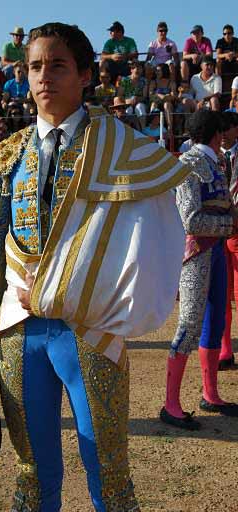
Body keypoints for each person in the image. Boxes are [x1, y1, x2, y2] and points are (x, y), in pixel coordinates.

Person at [0, 21, 189, 512]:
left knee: (111, 475)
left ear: (83, 75)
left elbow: (147, 236)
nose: (43, 77)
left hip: (91, 329)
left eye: (57, 65)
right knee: (32, 471)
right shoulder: (7, 157)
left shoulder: (120, 149)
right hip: (21, 333)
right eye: (34, 66)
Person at [160, 110, 238, 432]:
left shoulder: (215, 163)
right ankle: (171, 405)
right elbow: (190, 220)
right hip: (197, 253)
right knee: (189, 323)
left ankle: (210, 394)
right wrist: (230, 223)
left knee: (216, 318)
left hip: (216, 251)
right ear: (216, 134)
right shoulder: (189, 165)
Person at [219, 112, 238, 370]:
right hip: (215, 230)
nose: (222, 133)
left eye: (227, 128)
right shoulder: (210, 157)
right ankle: (225, 348)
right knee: (222, 292)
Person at [117, 62, 148, 127]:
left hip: (139, 102)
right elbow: (119, 95)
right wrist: (126, 101)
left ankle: (143, 129)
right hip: (127, 103)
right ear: (131, 70)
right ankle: (126, 129)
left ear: (142, 70)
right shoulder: (125, 80)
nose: (137, 70)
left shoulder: (144, 81)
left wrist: (137, 99)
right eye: (134, 68)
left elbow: (145, 97)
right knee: (128, 109)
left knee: (140, 107)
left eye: (139, 68)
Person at [149, 63, 176, 133]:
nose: (156, 72)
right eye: (156, 71)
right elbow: (150, 95)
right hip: (156, 102)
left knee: (166, 104)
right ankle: (153, 126)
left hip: (169, 103)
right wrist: (161, 96)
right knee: (153, 105)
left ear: (164, 71)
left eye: (158, 71)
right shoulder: (153, 82)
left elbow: (173, 96)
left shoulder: (171, 82)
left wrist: (166, 97)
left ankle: (170, 128)